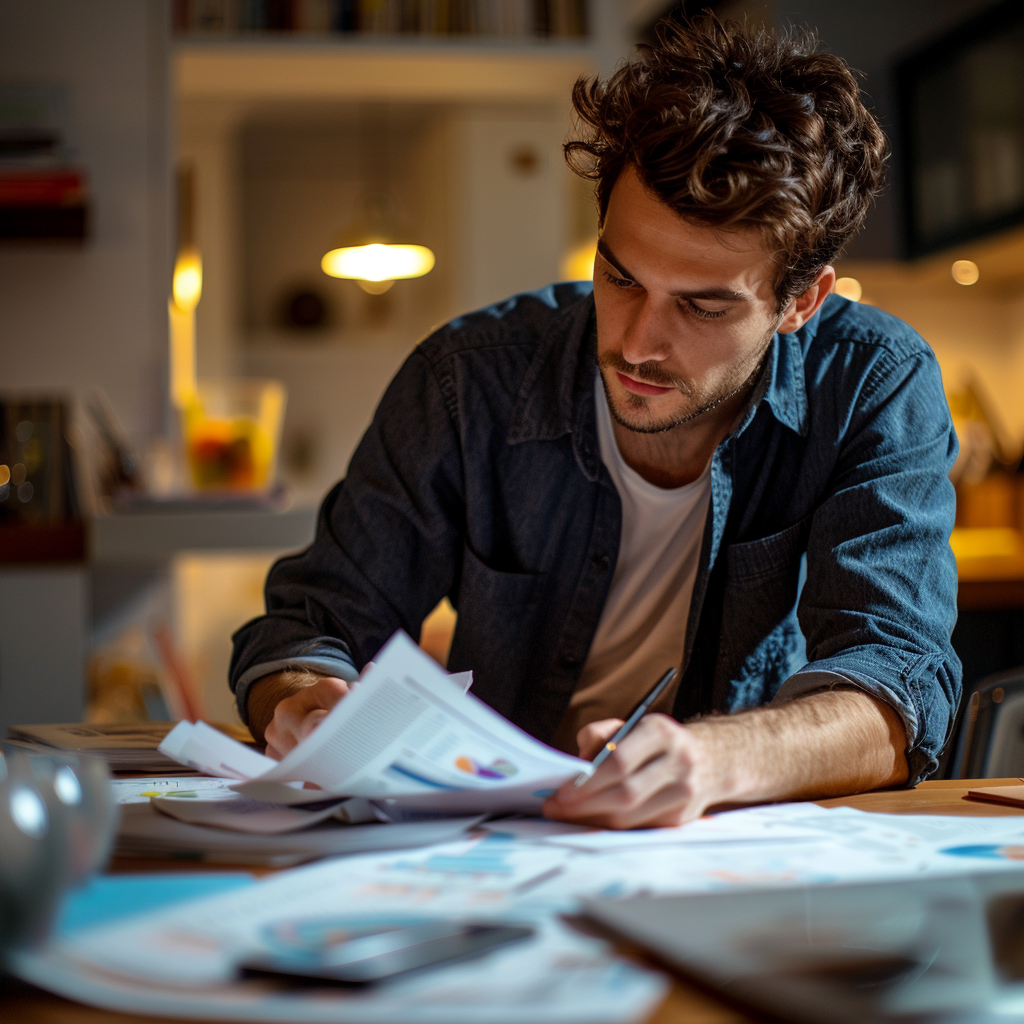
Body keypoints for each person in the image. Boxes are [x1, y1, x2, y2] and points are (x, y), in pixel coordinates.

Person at [229, 13, 960, 829]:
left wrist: (714, 759)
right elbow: (307, 626)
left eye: (704, 305)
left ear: (802, 303)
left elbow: (900, 685)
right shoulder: (468, 380)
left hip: (726, 846)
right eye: (620, 278)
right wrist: (307, 702)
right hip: (485, 841)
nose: (639, 344)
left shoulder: (871, 383)